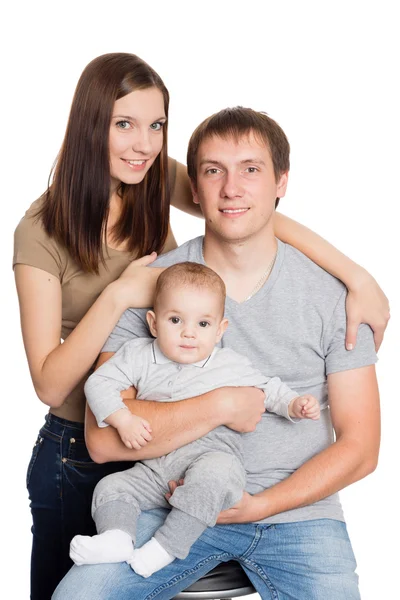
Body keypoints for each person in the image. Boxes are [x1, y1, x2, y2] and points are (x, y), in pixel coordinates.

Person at [13, 52, 386, 600]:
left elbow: (241, 205)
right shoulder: (57, 241)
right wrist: (119, 297)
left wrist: (356, 276)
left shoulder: (152, 176)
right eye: (124, 124)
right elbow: (58, 392)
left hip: (242, 489)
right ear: (92, 126)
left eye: (157, 126)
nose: (143, 142)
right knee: (63, 591)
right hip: (90, 447)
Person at [70, 262, 320, 578]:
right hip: (156, 466)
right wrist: (122, 419)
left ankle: (166, 547)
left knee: (214, 479)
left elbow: (267, 388)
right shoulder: (139, 355)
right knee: (111, 485)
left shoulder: (229, 364)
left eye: (203, 324)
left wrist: (294, 404)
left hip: (214, 457)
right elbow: (97, 383)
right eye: (176, 320)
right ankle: (117, 537)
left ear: (220, 330)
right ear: (154, 323)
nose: (189, 332)